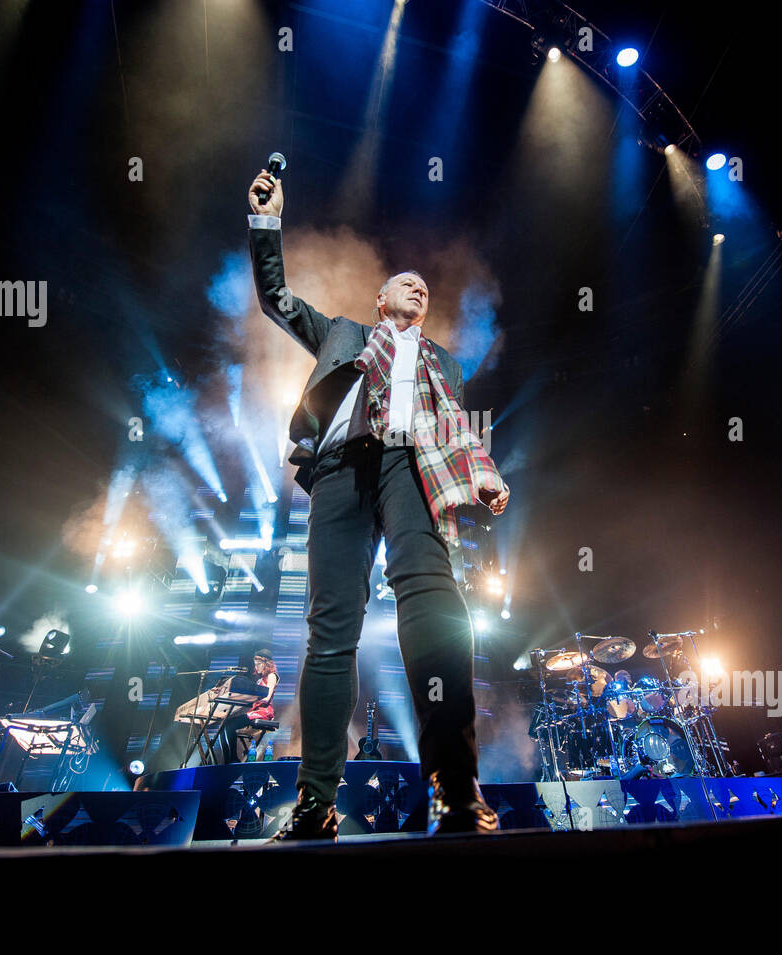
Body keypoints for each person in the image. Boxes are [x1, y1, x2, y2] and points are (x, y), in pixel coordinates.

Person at [247, 167, 509, 839]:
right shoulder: (341, 332)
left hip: (411, 467)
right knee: (328, 628)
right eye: (404, 280)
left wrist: (485, 476)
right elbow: (276, 299)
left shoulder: (444, 362)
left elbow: (454, 426)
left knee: (434, 600)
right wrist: (267, 222)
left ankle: (455, 785)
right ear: (380, 297)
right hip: (340, 468)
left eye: (424, 283)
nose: (417, 283)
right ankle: (315, 802)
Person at [215, 649, 279, 763]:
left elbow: (267, 698)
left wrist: (251, 700)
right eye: (255, 665)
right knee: (224, 726)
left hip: (264, 712)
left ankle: (233, 759)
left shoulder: (272, 676)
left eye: (259, 664)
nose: (257, 667)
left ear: (267, 664)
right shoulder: (259, 679)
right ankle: (227, 759)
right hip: (254, 710)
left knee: (231, 724)